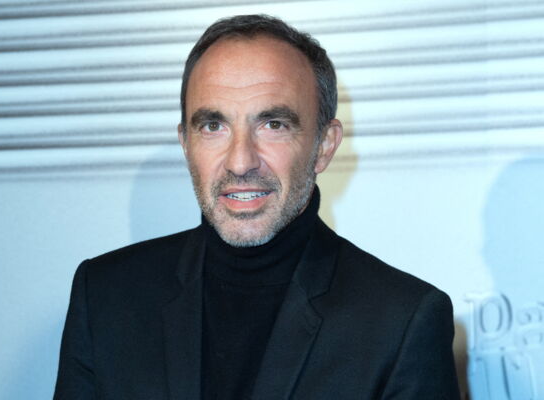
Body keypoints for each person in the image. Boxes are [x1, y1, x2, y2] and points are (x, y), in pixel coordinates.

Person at [53, 14, 460, 400]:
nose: (240, 161)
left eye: (273, 125)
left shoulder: (401, 322)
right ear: (186, 144)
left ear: (324, 146)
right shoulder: (105, 296)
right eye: (213, 126)